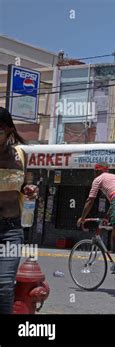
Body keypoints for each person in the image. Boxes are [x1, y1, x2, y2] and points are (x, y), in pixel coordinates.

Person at [0, 107, 38, 314]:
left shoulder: (20, 155)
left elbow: (23, 183)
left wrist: (29, 189)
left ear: (8, 130)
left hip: (11, 230)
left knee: (5, 286)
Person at [77, 162, 115, 275]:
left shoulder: (98, 179)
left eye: (94, 171)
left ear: (97, 171)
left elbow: (90, 200)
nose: (94, 173)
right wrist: (107, 217)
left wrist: (82, 217)